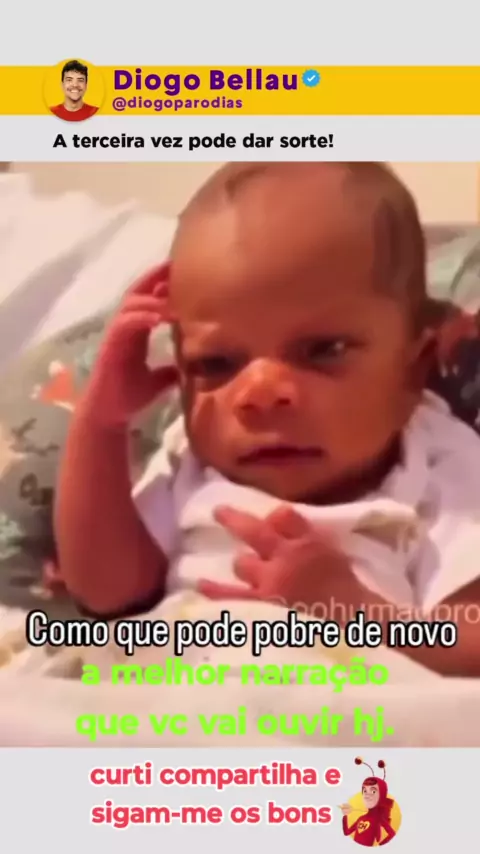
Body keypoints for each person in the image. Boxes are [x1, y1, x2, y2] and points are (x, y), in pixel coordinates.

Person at [54, 162, 480, 677]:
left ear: (414, 369)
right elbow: (107, 592)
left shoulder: (440, 463)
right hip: (172, 694)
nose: (260, 393)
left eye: (324, 350)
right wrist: (101, 426)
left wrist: (358, 611)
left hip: (342, 705)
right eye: (216, 363)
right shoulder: (190, 460)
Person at [341, 758, 396, 846]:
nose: (367, 795)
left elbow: (391, 833)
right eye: (365, 791)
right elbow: (347, 832)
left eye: (373, 791)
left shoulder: (379, 819)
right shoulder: (361, 818)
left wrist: (381, 845)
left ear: (381, 795)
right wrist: (345, 816)